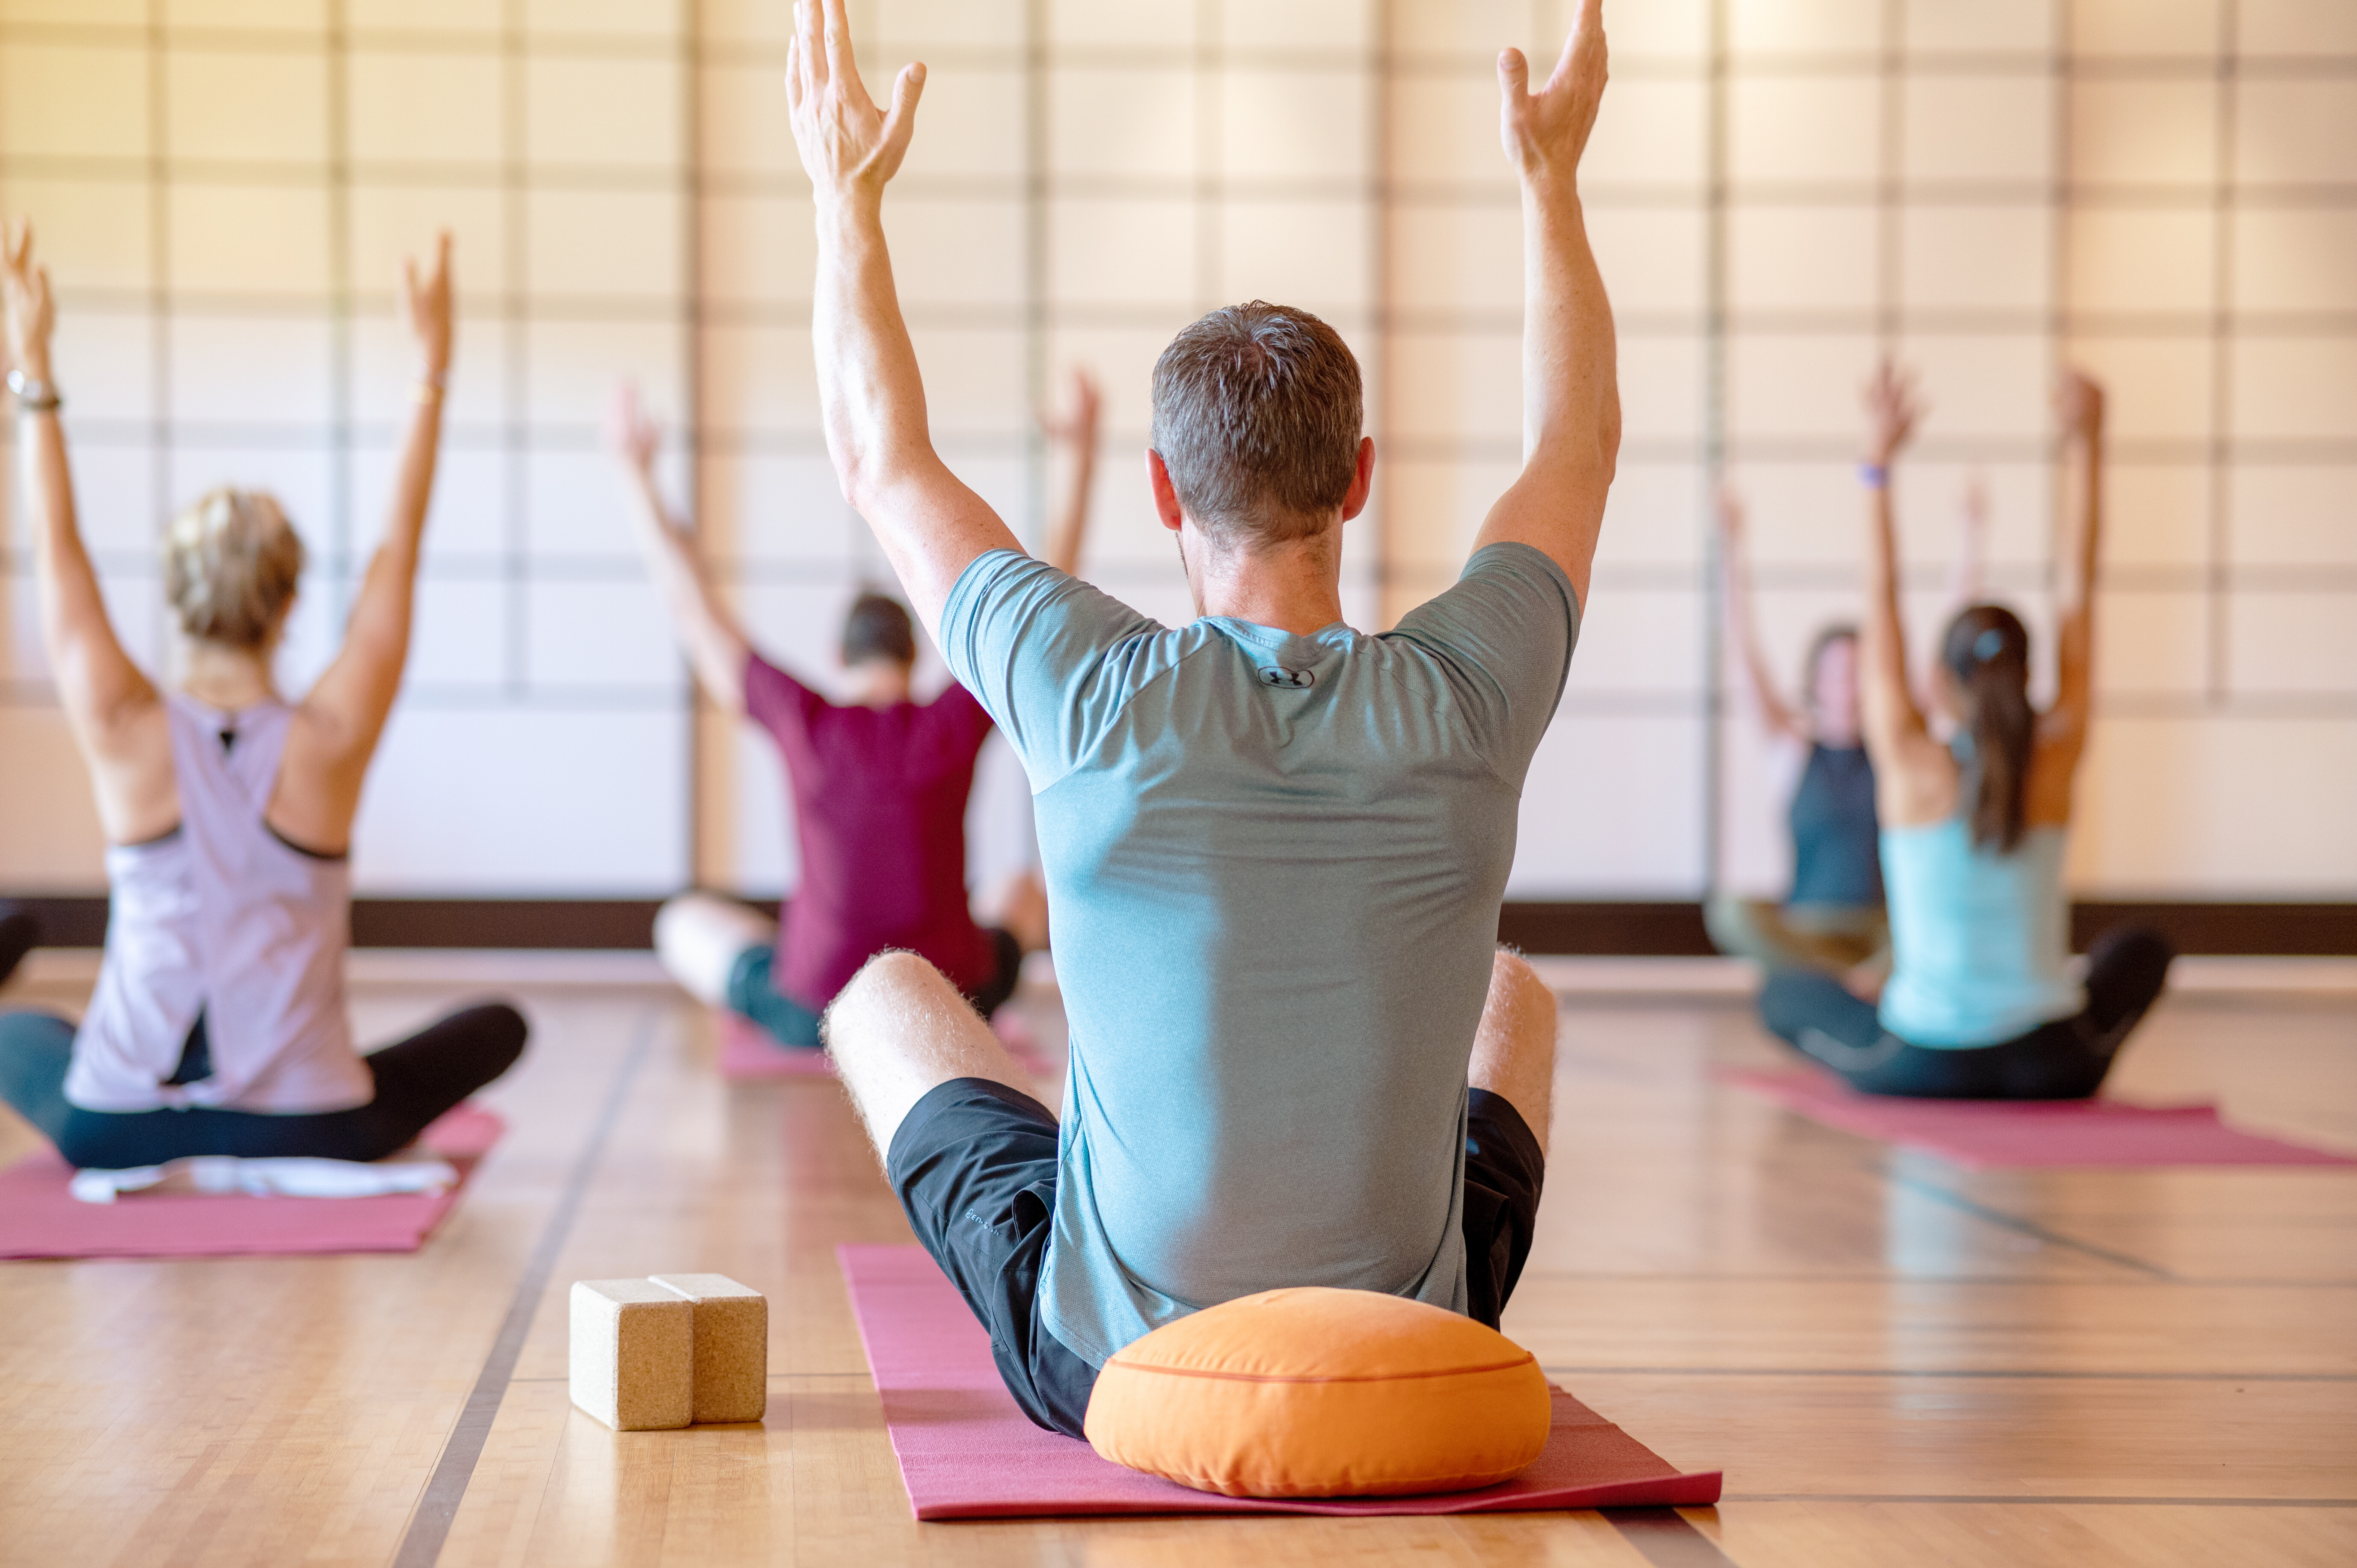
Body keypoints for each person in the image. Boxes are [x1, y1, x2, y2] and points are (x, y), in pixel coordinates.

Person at [784, 0, 1613, 1438]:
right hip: (1409, 1344)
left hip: (1110, 1369)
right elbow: (1574, 450)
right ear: (1355, 477)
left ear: (1162, 494)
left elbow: (878, 459)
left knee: (881, 996)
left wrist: (842, 198)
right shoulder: (1469, 691)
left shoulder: (1086, 686)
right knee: (1515, 993)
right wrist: (1548, 181)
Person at [0, 222, 526, 1169]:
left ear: (173, 595)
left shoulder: (124, 725)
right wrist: (432, 371)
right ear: (288, 603)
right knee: (500, 1024)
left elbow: (59, 553)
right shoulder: (329, 736)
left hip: (113, 1122)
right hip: (317, 1120)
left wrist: (33, 372)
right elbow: (397, 551)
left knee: (18, 1033)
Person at [610, 367, 1103, 1052]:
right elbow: (1046, 596)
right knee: (1018, 887)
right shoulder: (949, 721)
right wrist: (1079, 452)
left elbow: (693, 614)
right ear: (915, 657)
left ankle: (811, 961)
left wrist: (635, 473)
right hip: (954, 1001)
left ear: (838, 658)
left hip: (819, 1010)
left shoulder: (805, 720)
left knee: (682, 922)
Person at [1756, 361, 2172, 1100]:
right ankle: (2064, 1046)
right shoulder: (2055, 756)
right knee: (2144, 949)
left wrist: (1876, 467)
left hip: (1922, 1060)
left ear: (1939, 681)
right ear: (2027, 674)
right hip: (2051, 1063)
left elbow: (1878, 598)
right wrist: (2089, 444)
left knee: (1781, 994)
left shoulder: (1912, 764)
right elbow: (2082, 587)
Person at [1706, 478, 1989, 981]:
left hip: (1888, 932)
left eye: (1861, 674)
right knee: (1730, 911)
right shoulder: (1790, 751)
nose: (1849, 687)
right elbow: (1744, 656)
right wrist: (1731, 546)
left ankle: (1847, 983)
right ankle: (1848, 982)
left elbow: (1949, 644)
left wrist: (1970, 534)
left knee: (1944, 915)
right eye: (1837, 674)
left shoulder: (1898, 746)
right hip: (1806, 931)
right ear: (1815, 684)